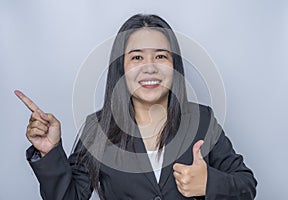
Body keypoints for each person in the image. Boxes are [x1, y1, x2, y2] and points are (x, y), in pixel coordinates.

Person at [15, 14, 257, 200]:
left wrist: (208, 183)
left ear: (174, 66)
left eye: (161, 56)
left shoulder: (201, 120)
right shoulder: (97, 128)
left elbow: (247, 185)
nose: (149, 68)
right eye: (137, 57)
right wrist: (50, 152)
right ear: (121, 68)